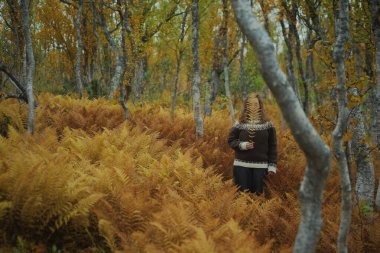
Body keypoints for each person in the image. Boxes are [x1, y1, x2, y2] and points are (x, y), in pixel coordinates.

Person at [227, 93, 277, 195]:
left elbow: (273, 146)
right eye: (250, 104)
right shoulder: (240, 122)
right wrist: (242, 145)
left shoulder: (268, 124)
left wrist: (272, 165)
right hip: (241, 167)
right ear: (246, 106)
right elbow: (231, 140)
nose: (253, 106)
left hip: (261, 168)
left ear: (260, 105)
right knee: (242, 199)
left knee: (259, 199)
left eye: (256, 104)